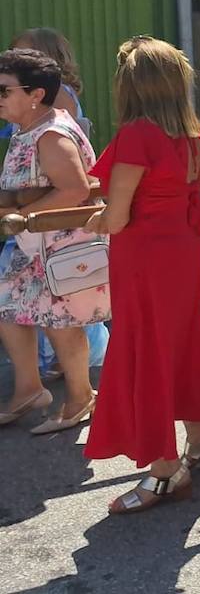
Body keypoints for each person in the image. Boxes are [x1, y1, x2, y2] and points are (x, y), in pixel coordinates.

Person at [84, 38, 200, 514]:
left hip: (145, 257)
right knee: (182, 340)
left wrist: (99, 218)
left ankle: (166, 472)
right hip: (181, 252)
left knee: (147, 350)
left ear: (131, 86)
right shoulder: (187, 133)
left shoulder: (135, 135)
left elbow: (120, 216)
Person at [0, 50, 107, 433]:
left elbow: (75, 189)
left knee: (60, 323)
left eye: (4, 90)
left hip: (56, 245)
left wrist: (24, 218)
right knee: (9, 309)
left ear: (36, 95)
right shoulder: (30, 127)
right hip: (34, 245)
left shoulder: (49, 134)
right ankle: (29, 390)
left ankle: (80, 398)